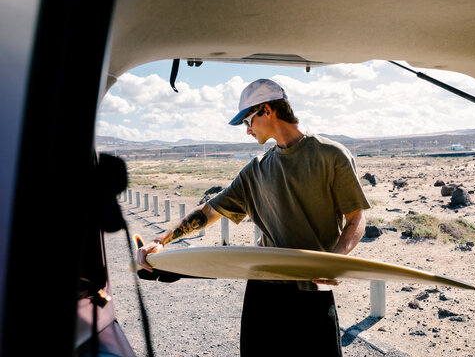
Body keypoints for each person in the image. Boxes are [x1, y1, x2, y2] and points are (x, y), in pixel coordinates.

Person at [137, 78, 371, 356]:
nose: (247, 131)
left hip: (311, 291)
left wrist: (336, 259)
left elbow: (356, 219)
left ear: (267, 111)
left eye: (248, 121)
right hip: (263, 292)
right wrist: (161, 240)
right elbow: (208, 211)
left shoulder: (331, 155)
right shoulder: (256, 170)